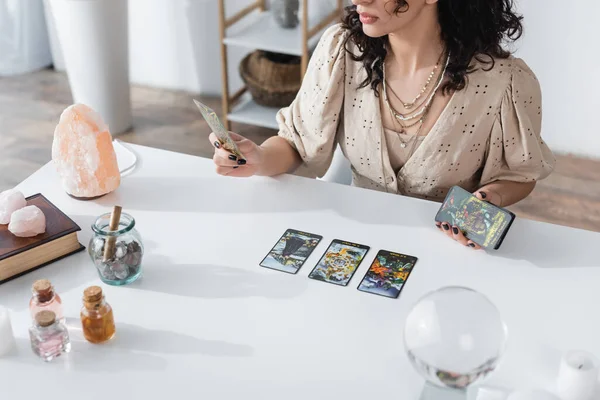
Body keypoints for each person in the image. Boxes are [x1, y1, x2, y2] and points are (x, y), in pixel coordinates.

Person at [209, 0, 555, 249]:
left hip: (446, 254)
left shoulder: (504, 83)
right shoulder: (342, 52)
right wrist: (257, 158)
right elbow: (296, 143)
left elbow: (518, 176)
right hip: (357, 240)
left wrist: (487, 199)